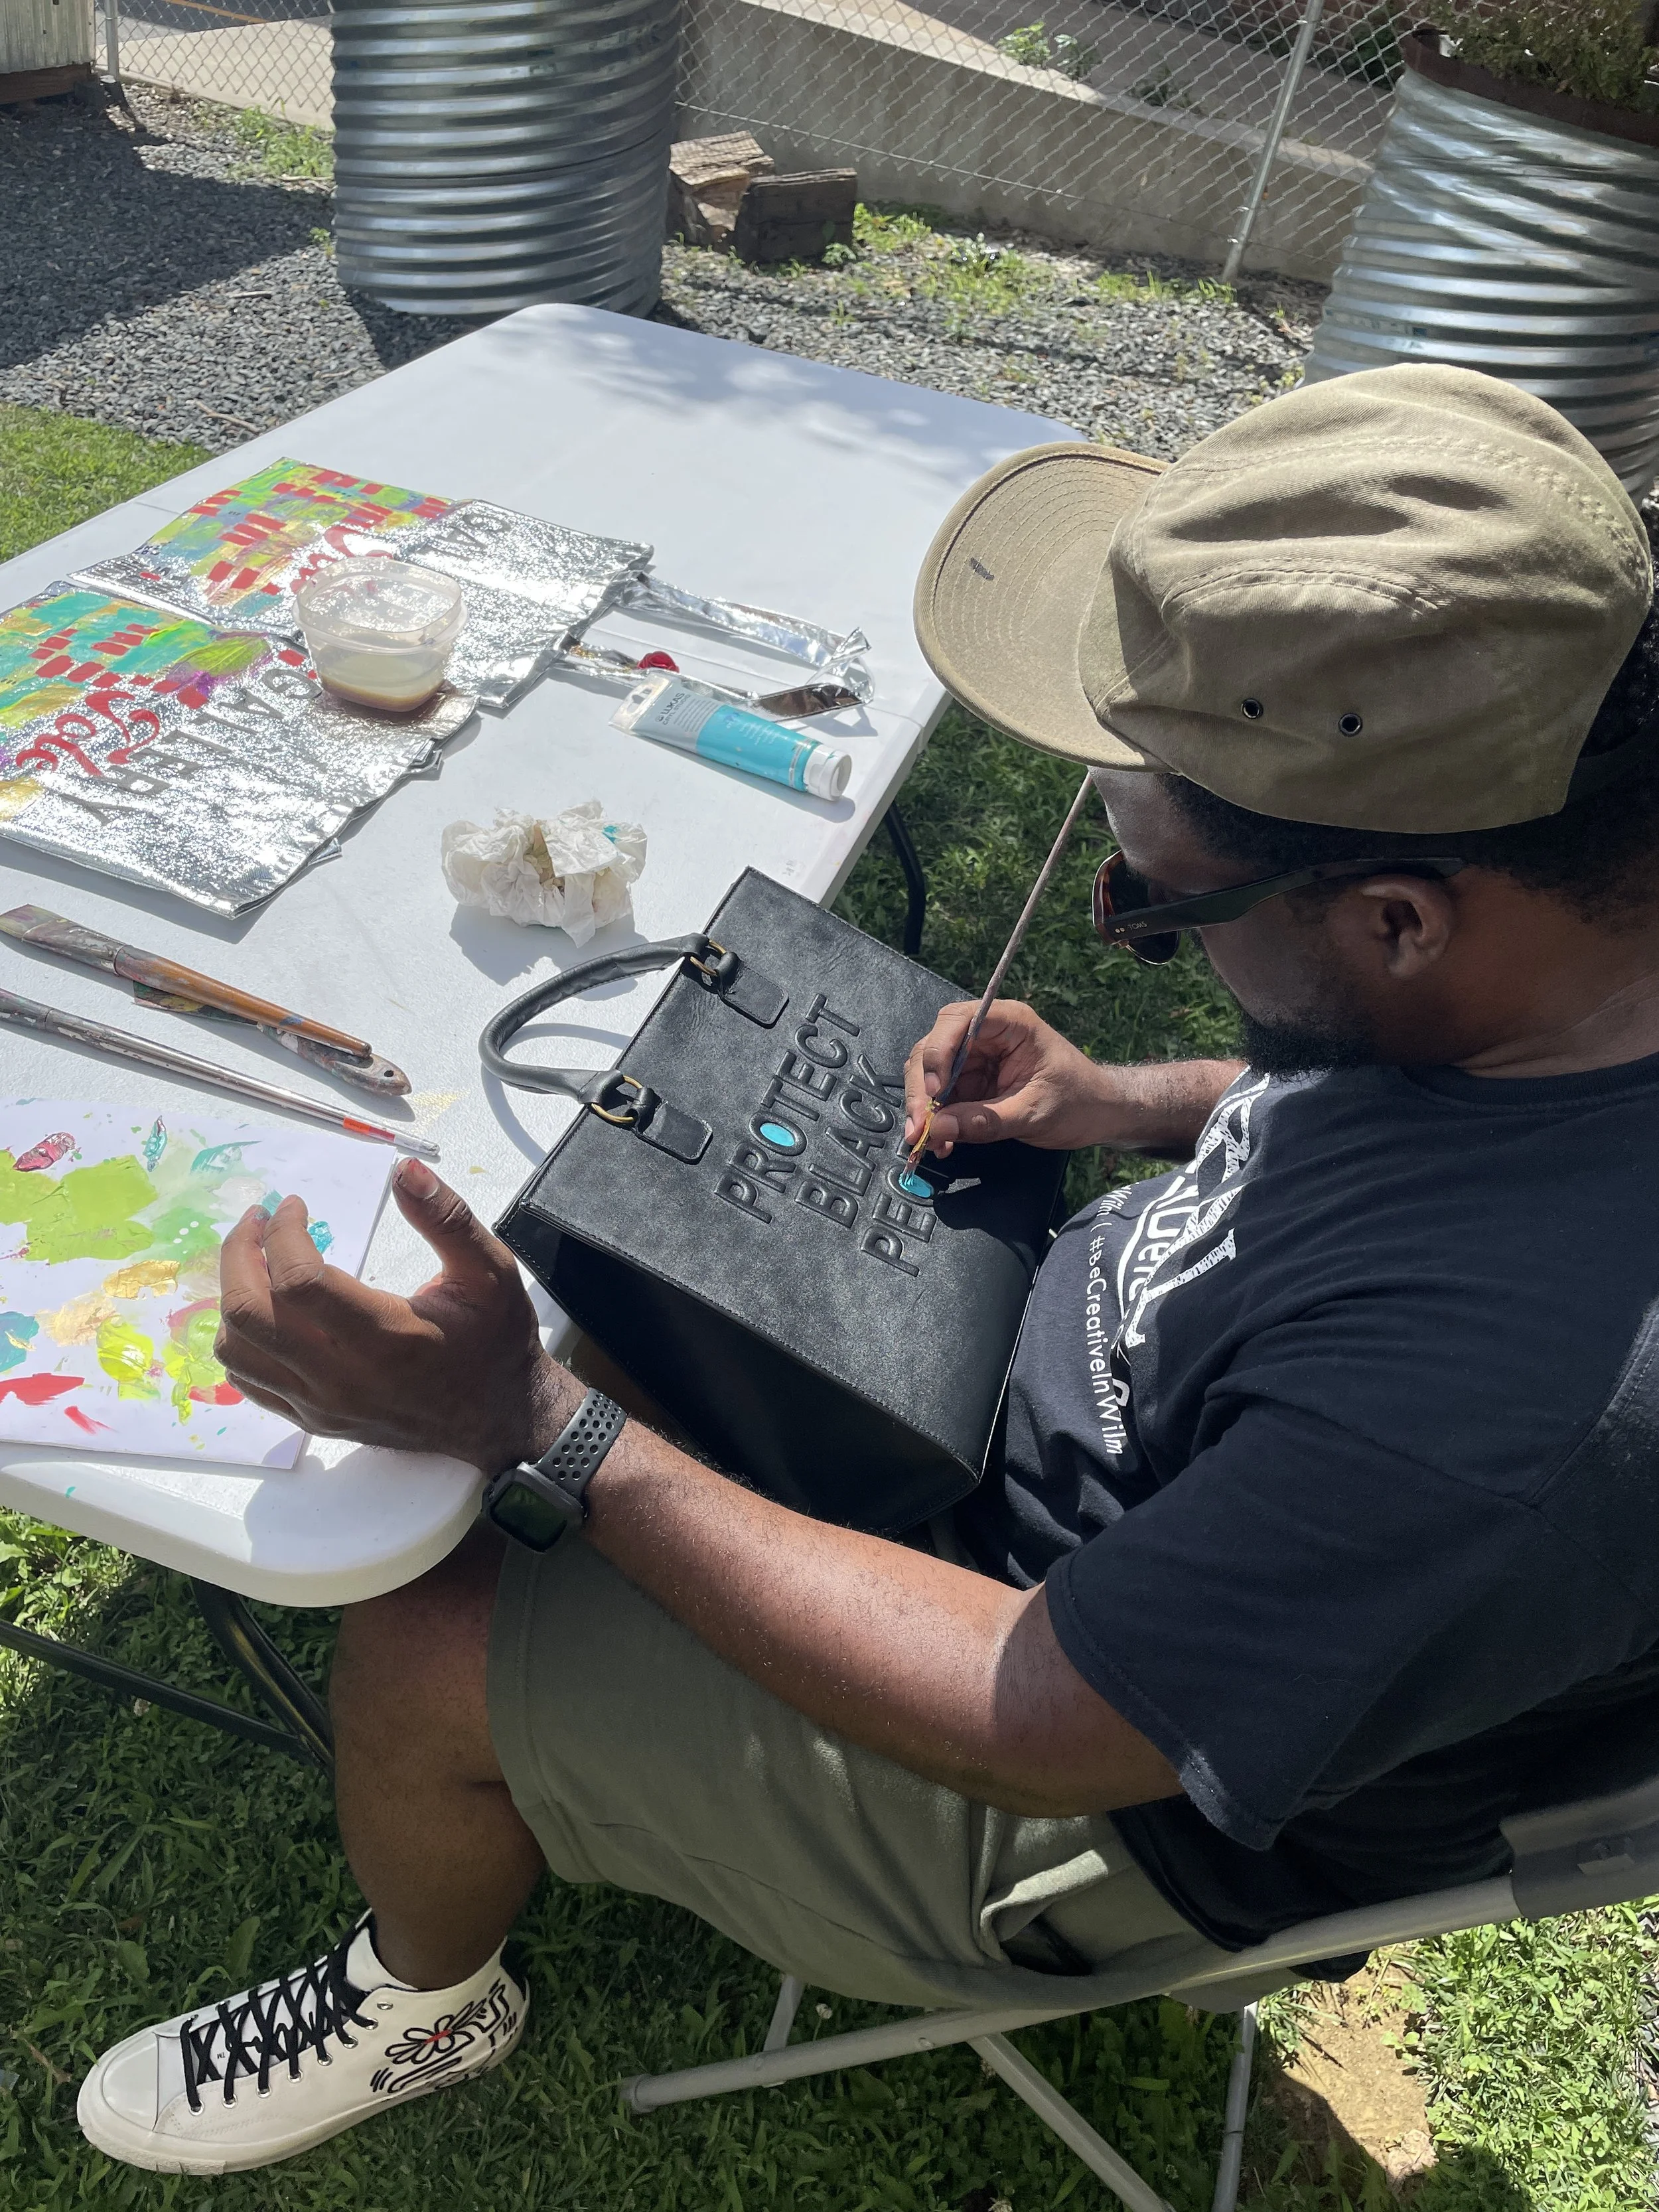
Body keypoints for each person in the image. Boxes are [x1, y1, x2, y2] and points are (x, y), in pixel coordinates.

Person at [77, 362, 1659, 2175]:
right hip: (1060, 1435)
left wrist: (540, 1419)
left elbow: (1041, 1713)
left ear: (1394, 920)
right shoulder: (1564, 965)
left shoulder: (1514, 1405)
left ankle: (421, 1990)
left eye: (1149, 902)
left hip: (1082, 1778)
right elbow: (1400, 1115)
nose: (1120, 917)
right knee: (619, 1265)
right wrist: (1122, 1097)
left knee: (425, 1618)